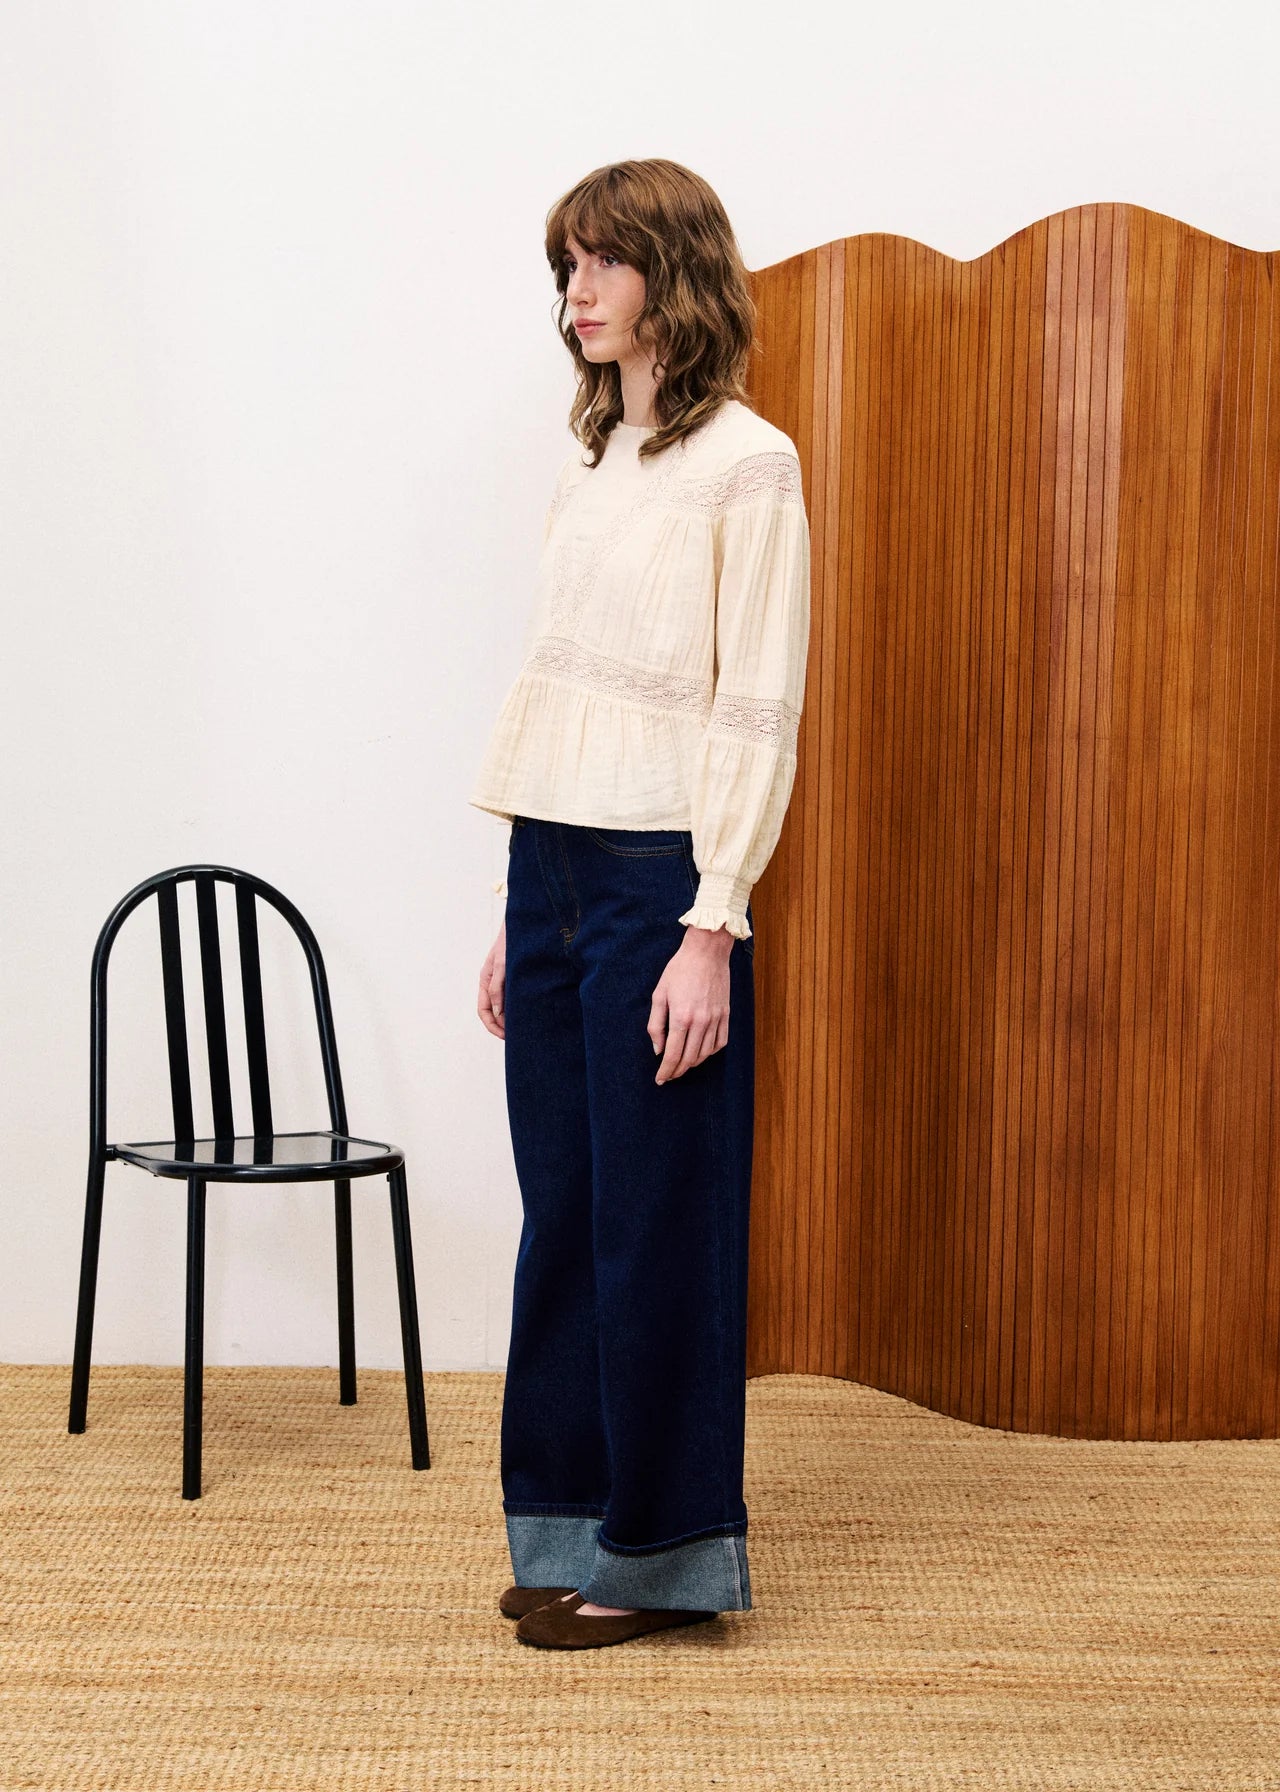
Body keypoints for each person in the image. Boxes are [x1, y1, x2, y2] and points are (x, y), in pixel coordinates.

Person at [469, 158, 811, 1650]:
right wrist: (512, 912)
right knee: (565, 1217)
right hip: (547, 868)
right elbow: (558, 688)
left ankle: (663, 1559)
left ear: (669, 276)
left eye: (598, 265)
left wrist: (711, 920)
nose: (574, 295)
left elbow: (758, 707)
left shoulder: (752, 462)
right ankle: (561, 1525)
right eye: (565, 271)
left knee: (656, 1221)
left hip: (658, 882)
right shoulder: (594, 461)